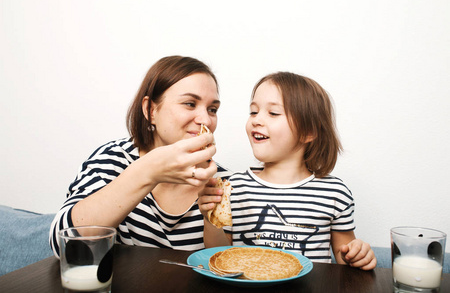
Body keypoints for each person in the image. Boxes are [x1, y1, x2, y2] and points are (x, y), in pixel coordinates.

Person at [50, 55, 231, 256]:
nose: (205, 119)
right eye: (189, 103)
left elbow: (231, 266)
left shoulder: (222, 181)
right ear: (150, 109)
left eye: (212, 109)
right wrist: (148, 172)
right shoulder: (113, 160)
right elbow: (63, 247)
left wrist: (212, 219)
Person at [198, 72, 377, 270]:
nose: (257, 120)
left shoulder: (334, 192)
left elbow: (345, 257)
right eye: (253, 112)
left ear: (308, 132)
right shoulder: (235, 186)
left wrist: (358, 255)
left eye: (273, 113)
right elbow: (220, 256)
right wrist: (210, 219)